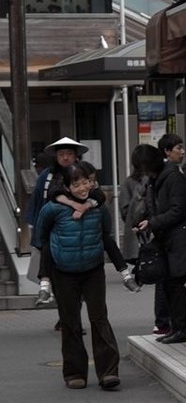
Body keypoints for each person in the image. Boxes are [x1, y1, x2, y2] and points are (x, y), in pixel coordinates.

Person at [35, 163, 140, 390]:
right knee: (70, 321)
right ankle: (74, 372)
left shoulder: (98, 206)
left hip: (93, 270)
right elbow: (42, 239)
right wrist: (46, 277)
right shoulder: (52, 209)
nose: (83, 188)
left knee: (99, 318)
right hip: (63, 272)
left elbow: (106, 236)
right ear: (66, 186)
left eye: (86, 182)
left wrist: (124, 272)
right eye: (77, 184)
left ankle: (108, 372)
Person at [135, 134, 186, 345]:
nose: (143, 172)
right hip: (169, 238)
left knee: (174, 284)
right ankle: (177, 326)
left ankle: (183, 328)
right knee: (169, 284)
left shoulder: (173, 178)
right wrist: (146, 220)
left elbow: (178, 210)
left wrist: (153, 222)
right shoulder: (156, 180)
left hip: (182, 238)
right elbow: (155, 207)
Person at [26, 137, 100, 308]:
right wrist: (34, 226)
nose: (65, 157)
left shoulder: (85, 173)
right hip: (53, 231)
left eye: (69, 153)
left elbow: (97, 195)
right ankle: (61, 309)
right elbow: (38, 199)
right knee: (55, 275)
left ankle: (70, 312)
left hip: (79, 230)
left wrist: (86, 207)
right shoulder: (47, 175)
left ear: (76, 155)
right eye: (61, 154)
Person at [121, 143, 173, 336]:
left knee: (161, 276)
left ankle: (163, 322)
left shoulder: (156, 179)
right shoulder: (149, 181)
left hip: (149, 231)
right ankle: (163, 322)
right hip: (151, 232)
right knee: (162, 277)